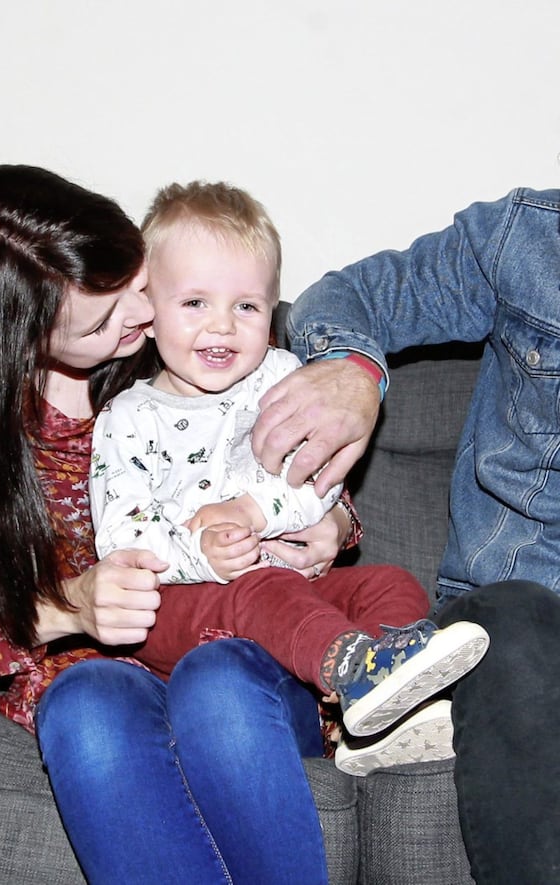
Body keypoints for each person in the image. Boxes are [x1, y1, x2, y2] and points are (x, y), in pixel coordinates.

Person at [0, 163, 335, 884]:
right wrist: (64, 607)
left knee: (216, 682)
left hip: (242, 654)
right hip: (108, 681)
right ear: (19, 342)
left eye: (131, 282)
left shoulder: (190, 353)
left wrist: (329, 521)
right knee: (83, 704)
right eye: (101, 321)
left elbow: (293, 454)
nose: (141, 317)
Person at [90, 179, 489, 766]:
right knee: (264, 588)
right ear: (149, 312)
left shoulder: (282, 379)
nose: (222, 326)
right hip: (174, 606)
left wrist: (252, 513)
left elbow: (315, 478)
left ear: (271, 311)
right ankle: (353, 670)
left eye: (245, 305)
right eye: (195, 302)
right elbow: (119, 538)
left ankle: (388, 710)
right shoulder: (127, 417)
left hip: (290, 592)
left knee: (390, 583)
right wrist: (201, 547)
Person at [251, 186, 560, 884]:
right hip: (511, 615)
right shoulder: (529, 240)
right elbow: (346, 296)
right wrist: (353, 369)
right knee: (518, 618)